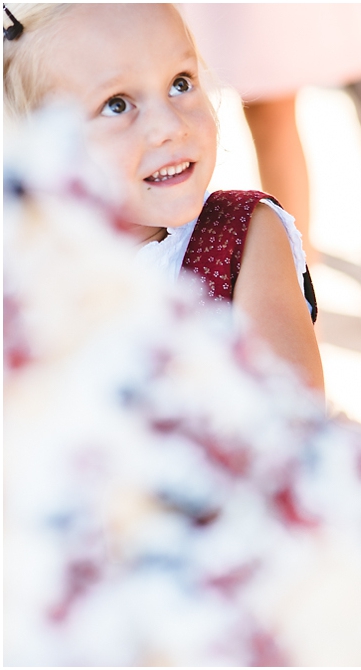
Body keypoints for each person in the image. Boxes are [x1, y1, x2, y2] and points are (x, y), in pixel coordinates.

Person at [2, 3, 324, 394]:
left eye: (181, 83)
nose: (171, 127)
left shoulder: (243, 235)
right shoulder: (22, 272)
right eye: (117, 104)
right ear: (38, 143)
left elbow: (292, 420)